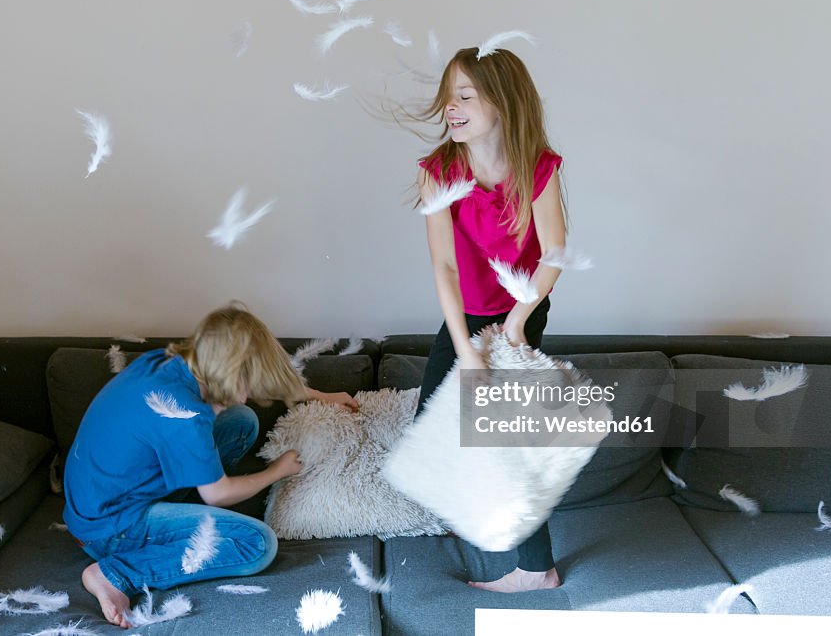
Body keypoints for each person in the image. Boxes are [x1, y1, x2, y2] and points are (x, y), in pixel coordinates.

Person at [63, 303, 358, 628]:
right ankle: (114, 574)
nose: (245, 396)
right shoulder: (184, 416)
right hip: (111, 527)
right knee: (258, 545)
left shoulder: (168, 362)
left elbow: (259, 383)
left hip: (98, 499)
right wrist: (279, 470)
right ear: (224, 372)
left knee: (242, 421)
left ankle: (177, 512)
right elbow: (218, 495)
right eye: (243, 385)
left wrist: (322, 395)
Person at [412, 47, 569, 593]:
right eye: (447, 96)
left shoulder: (537, 167)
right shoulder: (439, 172)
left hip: (520, 308)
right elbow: (444, 266)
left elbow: (554, 252)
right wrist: (465, 349)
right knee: (430, 424)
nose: (450, 108)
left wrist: (519, 324)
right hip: (468, 310)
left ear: (502, 103)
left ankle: (536, 568)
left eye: (465, 96)